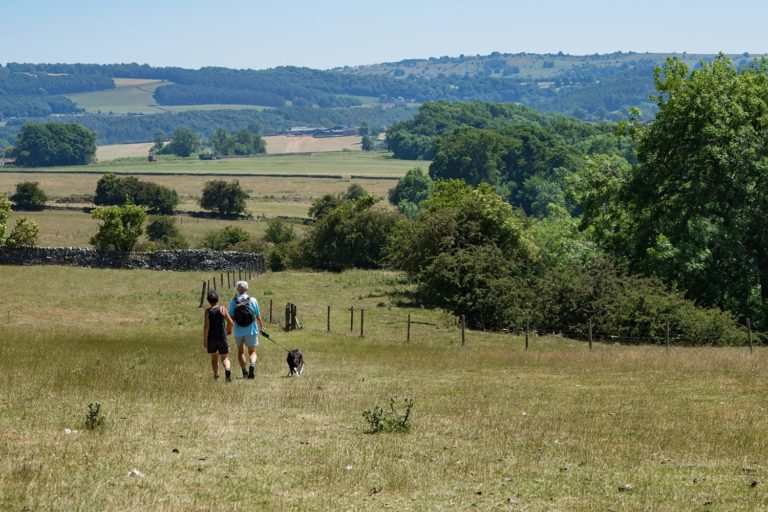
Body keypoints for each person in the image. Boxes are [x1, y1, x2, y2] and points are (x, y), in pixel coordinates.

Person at [229, 281, 265, 379]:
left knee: (241, 352)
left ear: (237, 289)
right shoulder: (253, 300)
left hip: (238, 331)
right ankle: (252, 365)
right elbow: (257, 315)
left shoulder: (233, 302)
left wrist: (228, 329)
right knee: (252, 352)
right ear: (247, 289)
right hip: (252, 330)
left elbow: (231, 318)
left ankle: (245, 372)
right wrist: (261, 327)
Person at [203, 290, 234, 382]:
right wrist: (228, 330)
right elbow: (231, 322)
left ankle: (216, 375)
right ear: (218, 299)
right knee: (225, 357)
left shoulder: (207, 311)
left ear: (208, 301)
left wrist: (205, 340)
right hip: (222, 337)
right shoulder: (222, 309)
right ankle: (227, 369)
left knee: (214, 357)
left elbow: (206, 327)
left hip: (211, 338)